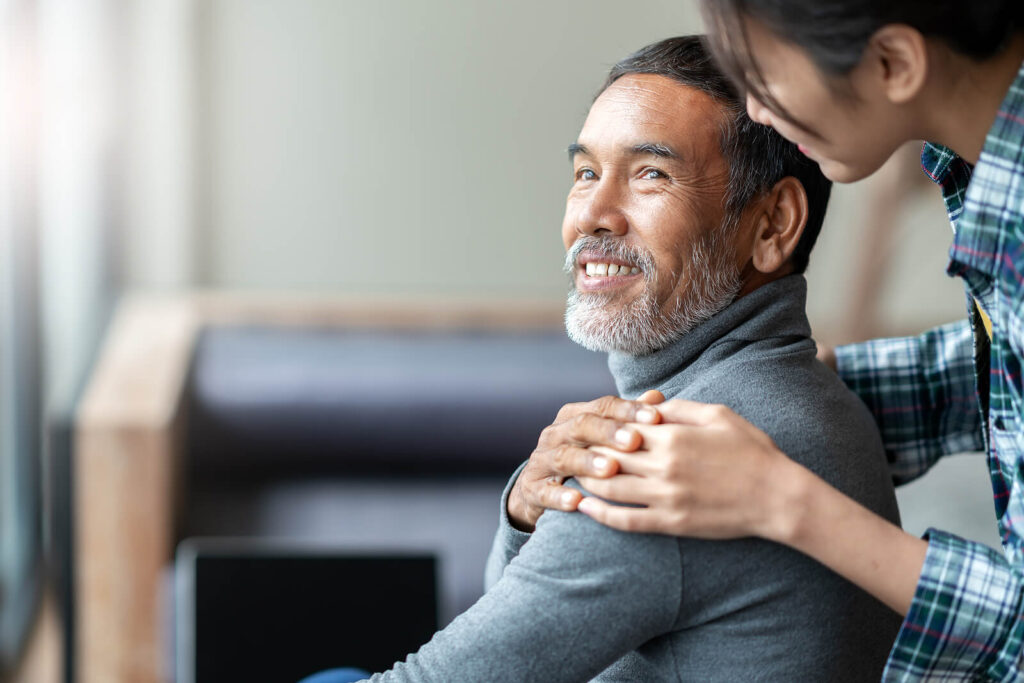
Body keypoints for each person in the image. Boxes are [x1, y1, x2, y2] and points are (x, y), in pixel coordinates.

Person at [305, 35, 901, 682]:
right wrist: (525, 512)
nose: (591, 214)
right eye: (586, 173)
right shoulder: (812, 398)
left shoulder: (677, 462)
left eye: (651, 174)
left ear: (772, 224)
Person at [513, 3, 1024, 680]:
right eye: (585, 171)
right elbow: (1005, 359)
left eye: (766, 73)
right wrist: (803, 399)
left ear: (893, 63)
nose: (755, 109)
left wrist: (782, 495)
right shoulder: (983, 175)